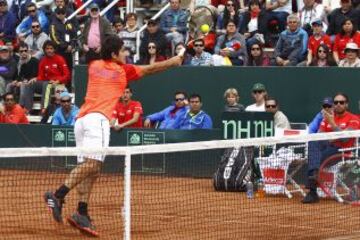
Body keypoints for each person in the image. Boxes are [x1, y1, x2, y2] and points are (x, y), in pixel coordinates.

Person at [44, 35, 184, 236]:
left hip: (81, 120)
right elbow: (152, 69)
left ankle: (81, 212)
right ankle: (58, 195)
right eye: (123, 50)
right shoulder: (123, 70)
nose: (126, 53)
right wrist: (176, 60)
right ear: (114, 54)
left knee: (91, 169)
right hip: (97, 120)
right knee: (92, 165)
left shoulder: (94, 65)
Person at [302, 93, 360, 203]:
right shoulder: (326, 118)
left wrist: (332, 124)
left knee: (313, 158)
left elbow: (345, 139)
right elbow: (319, 136)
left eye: (341, 102)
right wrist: (331, 138)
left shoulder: (354, 119)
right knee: (313, 142)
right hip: (326, 148)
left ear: (346, 105)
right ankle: (314, 176)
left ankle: (312, 192)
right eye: (336, 102)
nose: (338, 104)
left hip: (342, 152)